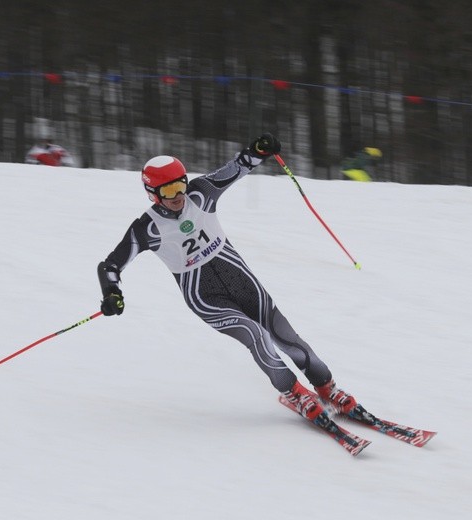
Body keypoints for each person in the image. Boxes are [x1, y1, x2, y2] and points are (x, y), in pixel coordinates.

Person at [96, 134, 360, 425]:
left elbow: (237, 166)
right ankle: (294, 392)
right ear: (153, 193)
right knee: (256, 336)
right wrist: (112, 293)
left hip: (242, 281)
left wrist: (258, 150)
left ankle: (327, 388)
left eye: (180, 185)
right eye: (168, 191)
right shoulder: (146, 228)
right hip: (206, 298)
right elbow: (110, 265)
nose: (178, 196)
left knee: (286, 336)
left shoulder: (201, 192)